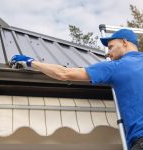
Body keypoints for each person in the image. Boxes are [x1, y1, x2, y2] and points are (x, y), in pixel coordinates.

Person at [11, 29, 143, 150]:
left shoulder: (116, 67)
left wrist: (30, 62)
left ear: (125, 42)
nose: (108, 53)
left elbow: (64, 74)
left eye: (111, 47)